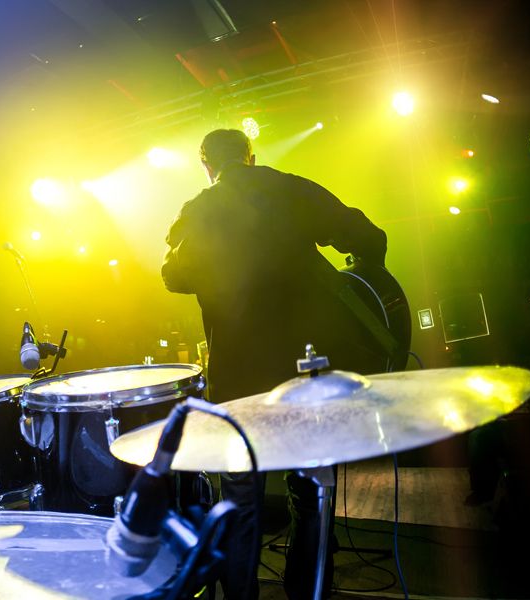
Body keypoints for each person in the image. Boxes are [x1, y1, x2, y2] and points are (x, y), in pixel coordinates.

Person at [162, 129, 387, 599]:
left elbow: (173, 275)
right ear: (252, 156)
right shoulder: (291, 187)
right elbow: (369, 236)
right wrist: (355, 280)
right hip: (305, 376)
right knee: (310, 494)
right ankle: (307, 592)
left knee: (240, 502)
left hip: (238, 381)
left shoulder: (200, 209)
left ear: (206, 165)